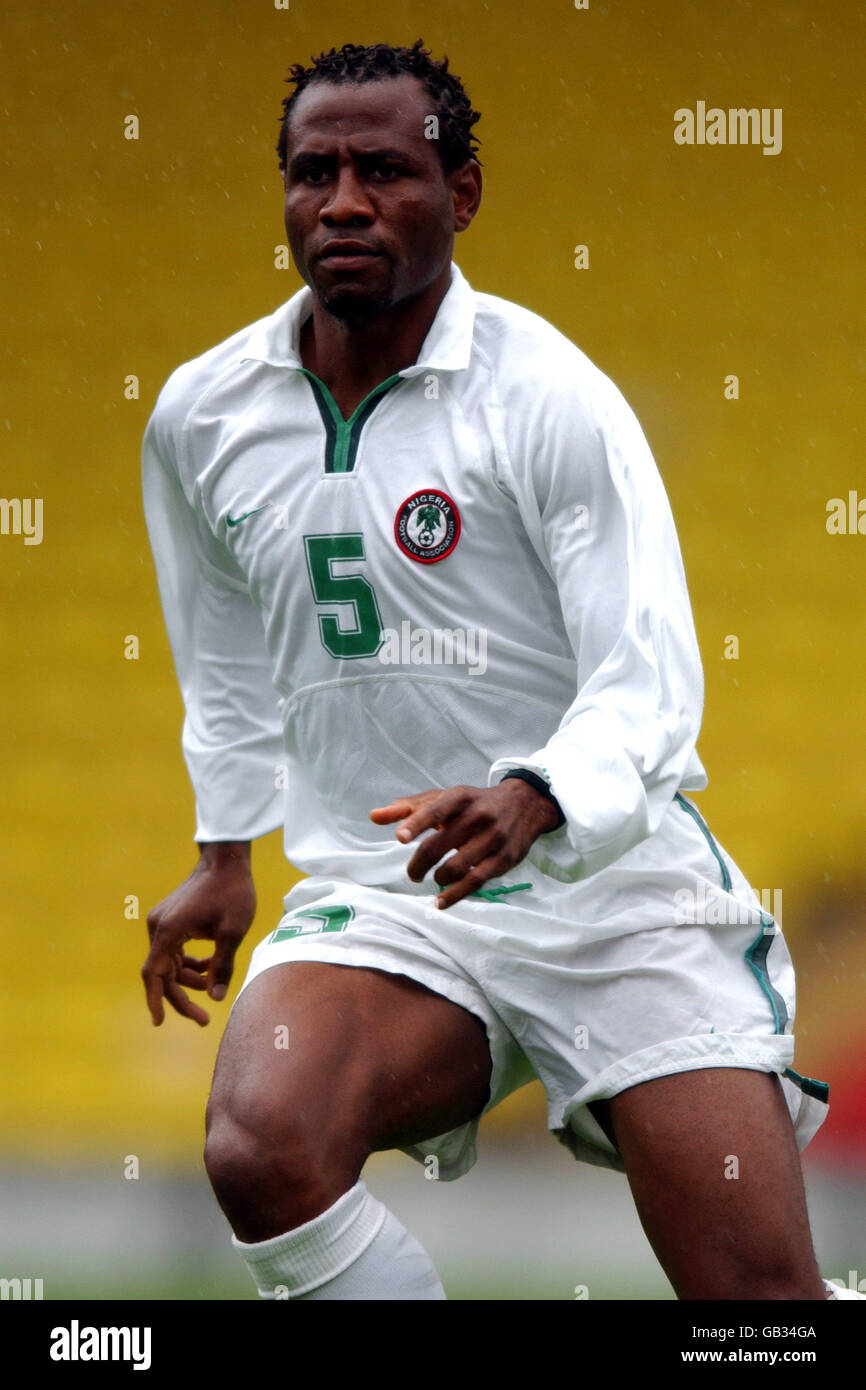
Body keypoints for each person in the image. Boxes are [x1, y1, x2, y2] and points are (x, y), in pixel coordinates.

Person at [141, 39, 853, 1301]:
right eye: (313, 172)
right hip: (396, 892)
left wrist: (532, 791)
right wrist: (222, 852)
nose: (343, 201)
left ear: (460, 193)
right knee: (261, 1140)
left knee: (757, 1306)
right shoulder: (200, 417)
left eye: (381, 170)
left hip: (617, 894)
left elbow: (647, 674)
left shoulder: (545, 394)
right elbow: (226, 652)